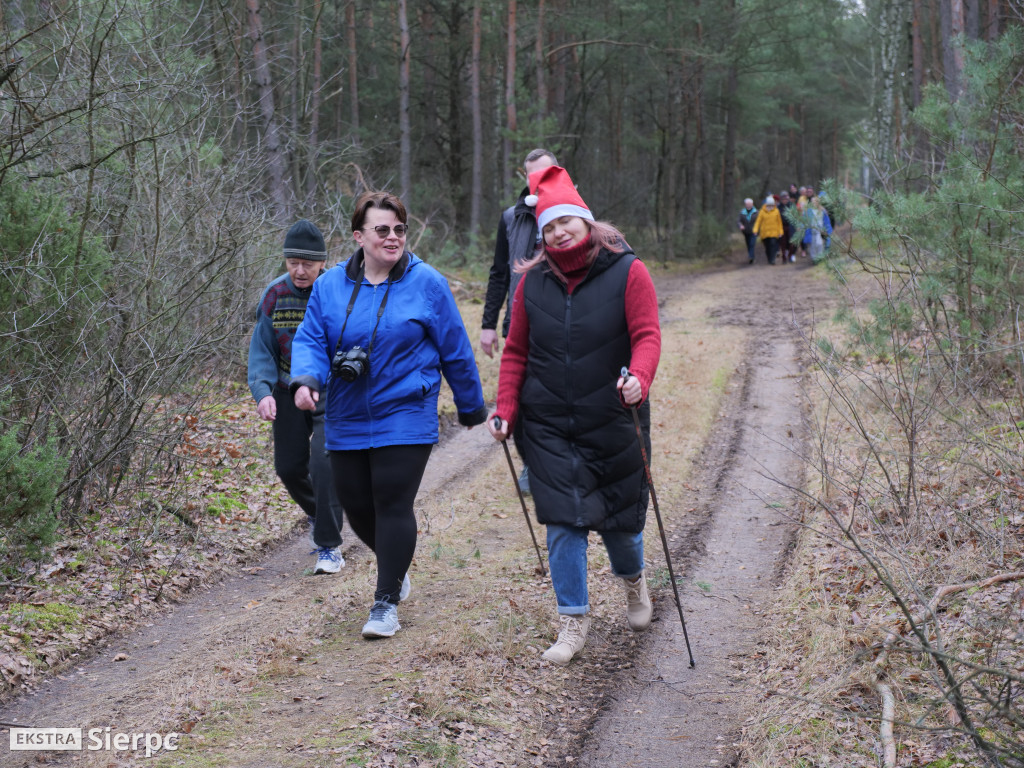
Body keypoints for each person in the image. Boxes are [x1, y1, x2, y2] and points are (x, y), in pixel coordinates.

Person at [290, 191, 487, 639]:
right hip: (346, 410)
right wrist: (306, 381)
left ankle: (385, 602)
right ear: (359, 236)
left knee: (392, 501)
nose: (393, 237)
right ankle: (394, 566)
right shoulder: (329, 285)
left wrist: (471, 404)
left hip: (406, 409)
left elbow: (455, 346)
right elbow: (311, 340)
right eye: (382, 230)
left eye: (399, 229)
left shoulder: (427, 283)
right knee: (357, 506)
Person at [487, 166, 661, 666]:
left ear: (586, 222)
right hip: (547, 424)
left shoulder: (629, 272)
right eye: (549, 226)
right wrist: (505, 410)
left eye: (566, 221)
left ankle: (633, 581)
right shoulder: (532, 283)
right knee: (564, 521)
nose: (559, 232)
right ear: (541, 234)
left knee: (619, 523)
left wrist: (639, 380)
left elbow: (647, 335)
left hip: (611, 415)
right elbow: (516, 351)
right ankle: (572, 621)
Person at [248, 220, 346, 575]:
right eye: (293, 262)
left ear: (323, 262)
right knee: (288, 467)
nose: (300, 270)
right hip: (287, 388)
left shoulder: (338, 290)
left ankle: (328, 546)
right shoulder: (275, 294)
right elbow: (262, 349)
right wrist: (262, 392)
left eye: (307, 263)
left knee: (323, 463)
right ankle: (323, 515)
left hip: (330, 388)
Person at [481, 148, 558, 495]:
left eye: (546, 174)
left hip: (561, 325)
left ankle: (556, 461)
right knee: (522, 400)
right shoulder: (511, 218)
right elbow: (499, 273)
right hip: (519, 323)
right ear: (525, 178)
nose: (539, 182)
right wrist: (487, 324)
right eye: (533, 176)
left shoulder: (574, 215)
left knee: (555, 397)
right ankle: (531, 463)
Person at [752, 195, 783, 265]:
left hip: (774, 232)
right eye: (769, 205)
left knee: (773, 244)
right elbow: (758, 221)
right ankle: (769, 258)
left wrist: (780, 231)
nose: (770, 207)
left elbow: (779, 222)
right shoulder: (762, 211)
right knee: (767, 247)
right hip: (765, 233)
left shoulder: (776, 211)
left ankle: (772, 259)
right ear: (766, 204)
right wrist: (755, 230)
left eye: (772, 205)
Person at [802, 195, 833, 263]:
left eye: (815, 201)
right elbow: (804, 220)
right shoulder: (808, 211)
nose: (814, 203)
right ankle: (814, 259)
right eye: (812, 201)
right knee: (812, 246)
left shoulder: (823, 211)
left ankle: (820, 259)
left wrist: (827, 229)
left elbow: (826, 221)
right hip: (811, 231)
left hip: (820, 231)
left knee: (820, 244)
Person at [777, 191, 796, 264]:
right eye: (783, 199)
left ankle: (790, 256)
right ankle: (784, 257)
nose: (784, 200)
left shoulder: (792, 205)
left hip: (791, 226)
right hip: (781, 227)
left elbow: (795, 216)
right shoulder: (778, 207)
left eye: (786, 198)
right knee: (783, 243)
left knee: (791, 242)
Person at [737, 197, 758, 264]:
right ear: (745, 205)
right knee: (748, 244)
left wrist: (758, 229)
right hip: (746, 231)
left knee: (752, 244)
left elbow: (759, 221)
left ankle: (751, 256)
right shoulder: (742, 212)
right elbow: (738, 221)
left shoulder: (756, 212)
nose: (748, 205)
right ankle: (751, 256)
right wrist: (740, 225)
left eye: (749, 204)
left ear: (752, 204)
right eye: (747, 204)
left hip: (754, 231)